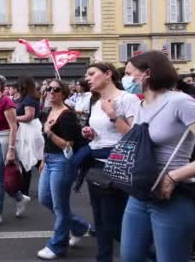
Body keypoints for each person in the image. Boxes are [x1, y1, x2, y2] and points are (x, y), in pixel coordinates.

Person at [119, 51, 195, 262]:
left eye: (129, 73)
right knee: (130, 257)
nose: (125, 79)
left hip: (173, 196)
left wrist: (174, 177)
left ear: (147, 73)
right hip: (139, 194)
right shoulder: (139, 105)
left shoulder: (181, 102)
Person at [72, 63, 138, 262]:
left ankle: (153, 254)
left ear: (108, 74)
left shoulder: (128, 99)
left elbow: (135, 137)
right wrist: (90, 134)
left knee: (114, 224)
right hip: (96, 165)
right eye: (86, 74)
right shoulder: (95, 102)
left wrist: (112, 114)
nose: (87, 78)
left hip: (119, 166)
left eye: (91, 73)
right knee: (100, 221)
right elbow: (102, 136)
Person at [36, 79, 91, 260]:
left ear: (64, 93)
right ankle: (79, 227)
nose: (51, 92)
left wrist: (50, 133)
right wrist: (44, 158)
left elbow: (68, 146)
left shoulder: (67, 115)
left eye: (56, 89)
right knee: (44, 199)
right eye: (48, 88)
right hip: (50, 160)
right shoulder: (47, 111)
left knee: (60, 206)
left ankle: (58, 245)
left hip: (63, 162)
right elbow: (46, 142)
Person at [0, 75, 31, 228]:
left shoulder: (6, 101)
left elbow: (13, 126)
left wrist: (11, 149)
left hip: (2, 143)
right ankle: (20, 198)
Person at [14, 75, 42, 196]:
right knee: (32, 159)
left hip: (29, 130)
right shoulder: (29, 97)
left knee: (29, 159)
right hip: (30, 129)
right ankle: (24, 189)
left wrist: (13, 118)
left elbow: (29, 116)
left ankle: (24, 190)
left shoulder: (29, 98)